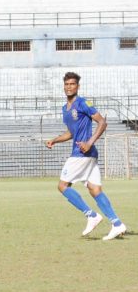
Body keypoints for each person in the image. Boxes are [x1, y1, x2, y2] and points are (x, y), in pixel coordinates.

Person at [46, 72, 127, 240]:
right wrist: (54, 140)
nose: (69, 87)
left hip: (81, 153)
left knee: (62, 186)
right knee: (95, 189)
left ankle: (91, 215)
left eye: (72, 84)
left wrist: (89, 142)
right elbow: (70, 132)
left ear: (78, 86)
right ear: (64, 86)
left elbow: (102, 122)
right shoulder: (65, 108)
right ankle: (117, 224)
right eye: (67, 84)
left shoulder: (83, 103)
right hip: (87, 154)